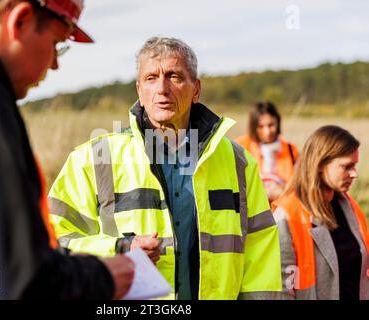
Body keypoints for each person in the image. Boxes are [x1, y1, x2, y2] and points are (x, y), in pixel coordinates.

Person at [48, 36, 283, 300]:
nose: (162, 88)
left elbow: (260, 254)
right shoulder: (93, 159)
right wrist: (118, 248)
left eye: (174, 76)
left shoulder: (238, 162)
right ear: (139, 90)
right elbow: (53, 242)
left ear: (196, 90)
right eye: (151, 78)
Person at [0, 0, 134, 299]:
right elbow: (22, 279)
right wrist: (104, 277)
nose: (54, 64)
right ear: (20, 20)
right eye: (57, 43)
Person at [272, 125, 369, 300]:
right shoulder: (286, 217)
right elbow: (280, 291)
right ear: (320, 164)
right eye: (347, 166)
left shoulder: (352, 208)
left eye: (355, 166)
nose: (354, 174)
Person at [236, 102, 298, 202]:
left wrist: (282, 193)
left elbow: (298, 187)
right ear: (253, 126)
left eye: (271, 125)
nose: (267, 132)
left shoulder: (291, 150)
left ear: (278, 122)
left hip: (281, 208)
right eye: (261, 126)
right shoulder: (241, 146)